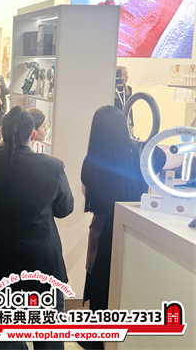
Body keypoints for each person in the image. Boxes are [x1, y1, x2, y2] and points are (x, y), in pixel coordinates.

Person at [0, 106, 73, 350]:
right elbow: (65, 209)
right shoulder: (53, 166)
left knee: (7, 335)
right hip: (43, 259)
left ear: (1, 131)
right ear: (32, 135)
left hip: (1, 259)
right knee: (48, 334)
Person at [81, 106, 150, 316]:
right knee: (126, 284)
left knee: (101, 283)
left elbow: (86, 192)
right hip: (132, 227)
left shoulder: (92, 161)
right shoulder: (139, 154)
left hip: (103, 227)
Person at [114, 65, 134, 131]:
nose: (126, 76)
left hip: (127, 123)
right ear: (117, 76)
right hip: (115, 123)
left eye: (126, 74)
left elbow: (130, 108)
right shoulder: (112, 91)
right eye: (123, 74)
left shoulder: (129, 89)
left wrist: (132, 125)